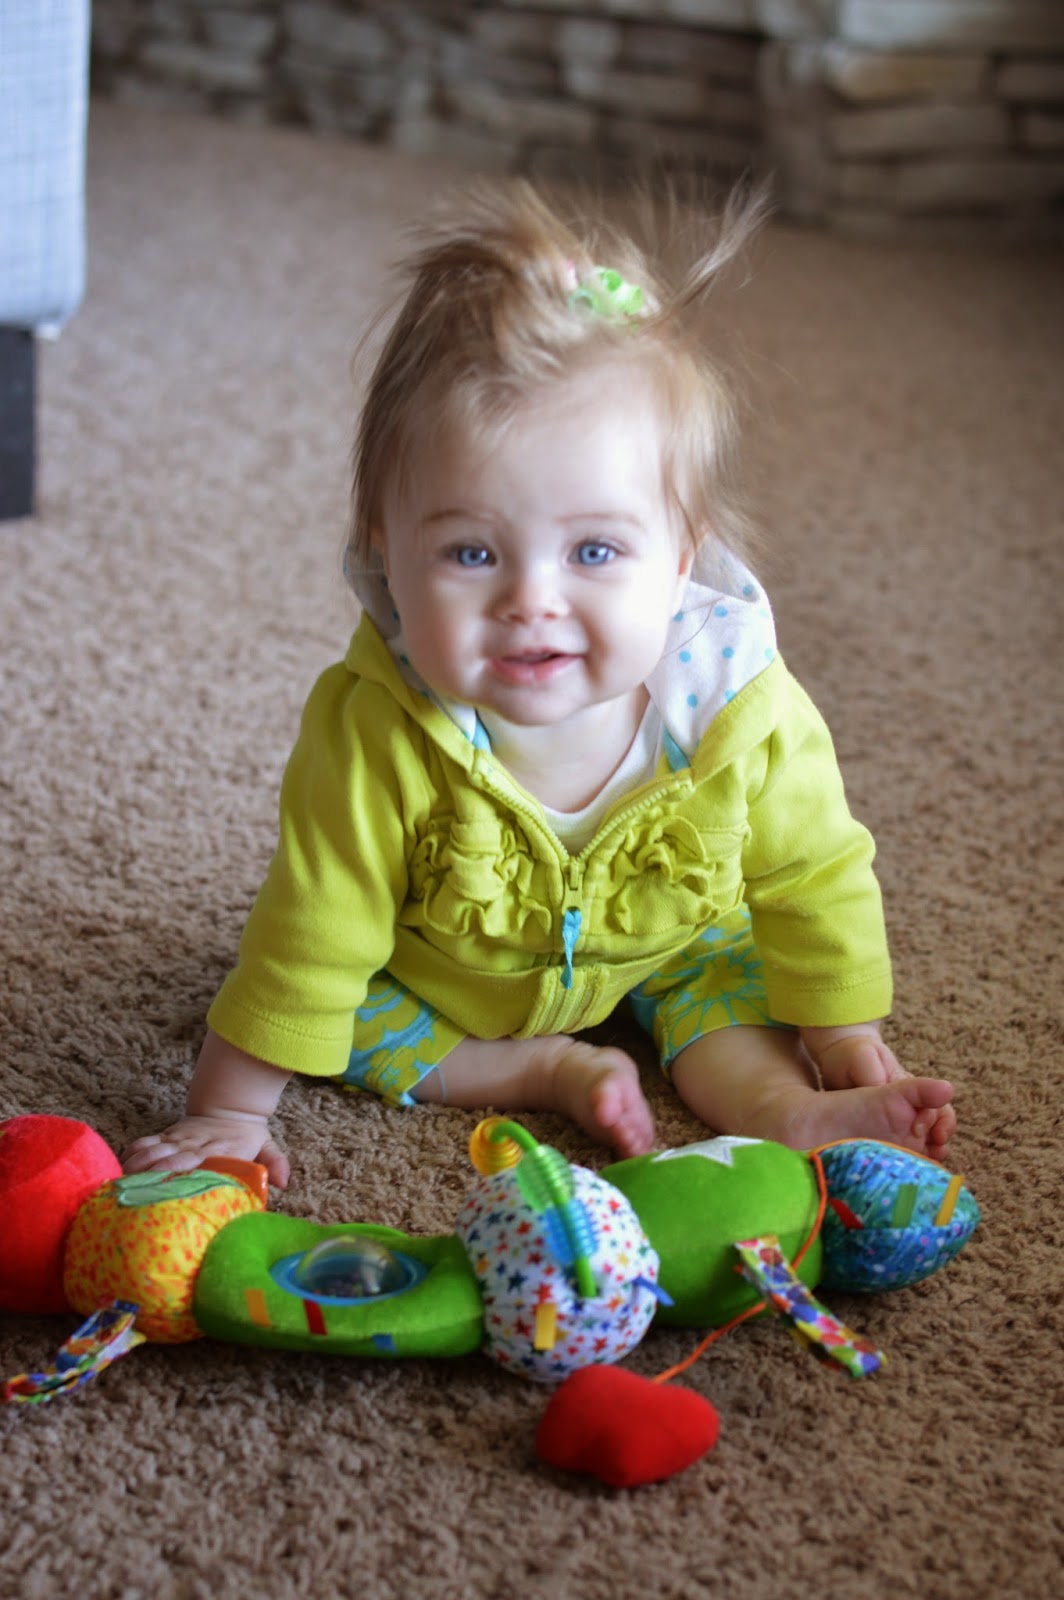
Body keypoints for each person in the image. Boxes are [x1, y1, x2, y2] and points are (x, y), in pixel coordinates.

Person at [123, 182, 955, 1191]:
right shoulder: (377, 729)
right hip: (445, 980)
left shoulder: (738, 709)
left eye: (594, 550)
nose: (531, 602)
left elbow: (813, 869)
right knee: (337, 1020)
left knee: (735, 981)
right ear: (386, 551)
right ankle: (542, 1070)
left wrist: (844, 1034)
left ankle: (785, 1111)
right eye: (471, 553)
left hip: (669, 942)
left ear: (681, 557)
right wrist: (227, 1116)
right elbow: (314, 928)